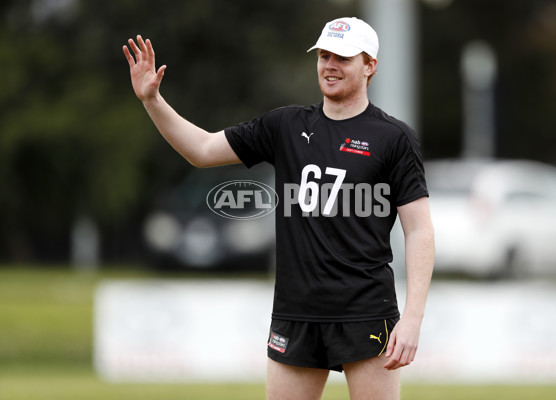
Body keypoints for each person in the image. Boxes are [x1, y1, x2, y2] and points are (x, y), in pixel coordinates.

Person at [124, 16, 434, 400]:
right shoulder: (285, 125)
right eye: (323, 55)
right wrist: (152, 100)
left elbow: (419, 230)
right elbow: (202, 150)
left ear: (369, 65)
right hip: (296, 312)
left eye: (342, 57)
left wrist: (414, 317)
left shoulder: (394, 138)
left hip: (366, 311)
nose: (329, 65)